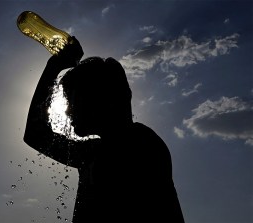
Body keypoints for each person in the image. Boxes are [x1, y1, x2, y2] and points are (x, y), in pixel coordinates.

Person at [24, 36, 185, 223]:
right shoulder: (96, 152)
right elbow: (36, 135)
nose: (67, 110)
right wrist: (52, 68)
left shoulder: (139, 146)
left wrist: (52, 69)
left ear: (100, 101)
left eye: (72, 100)